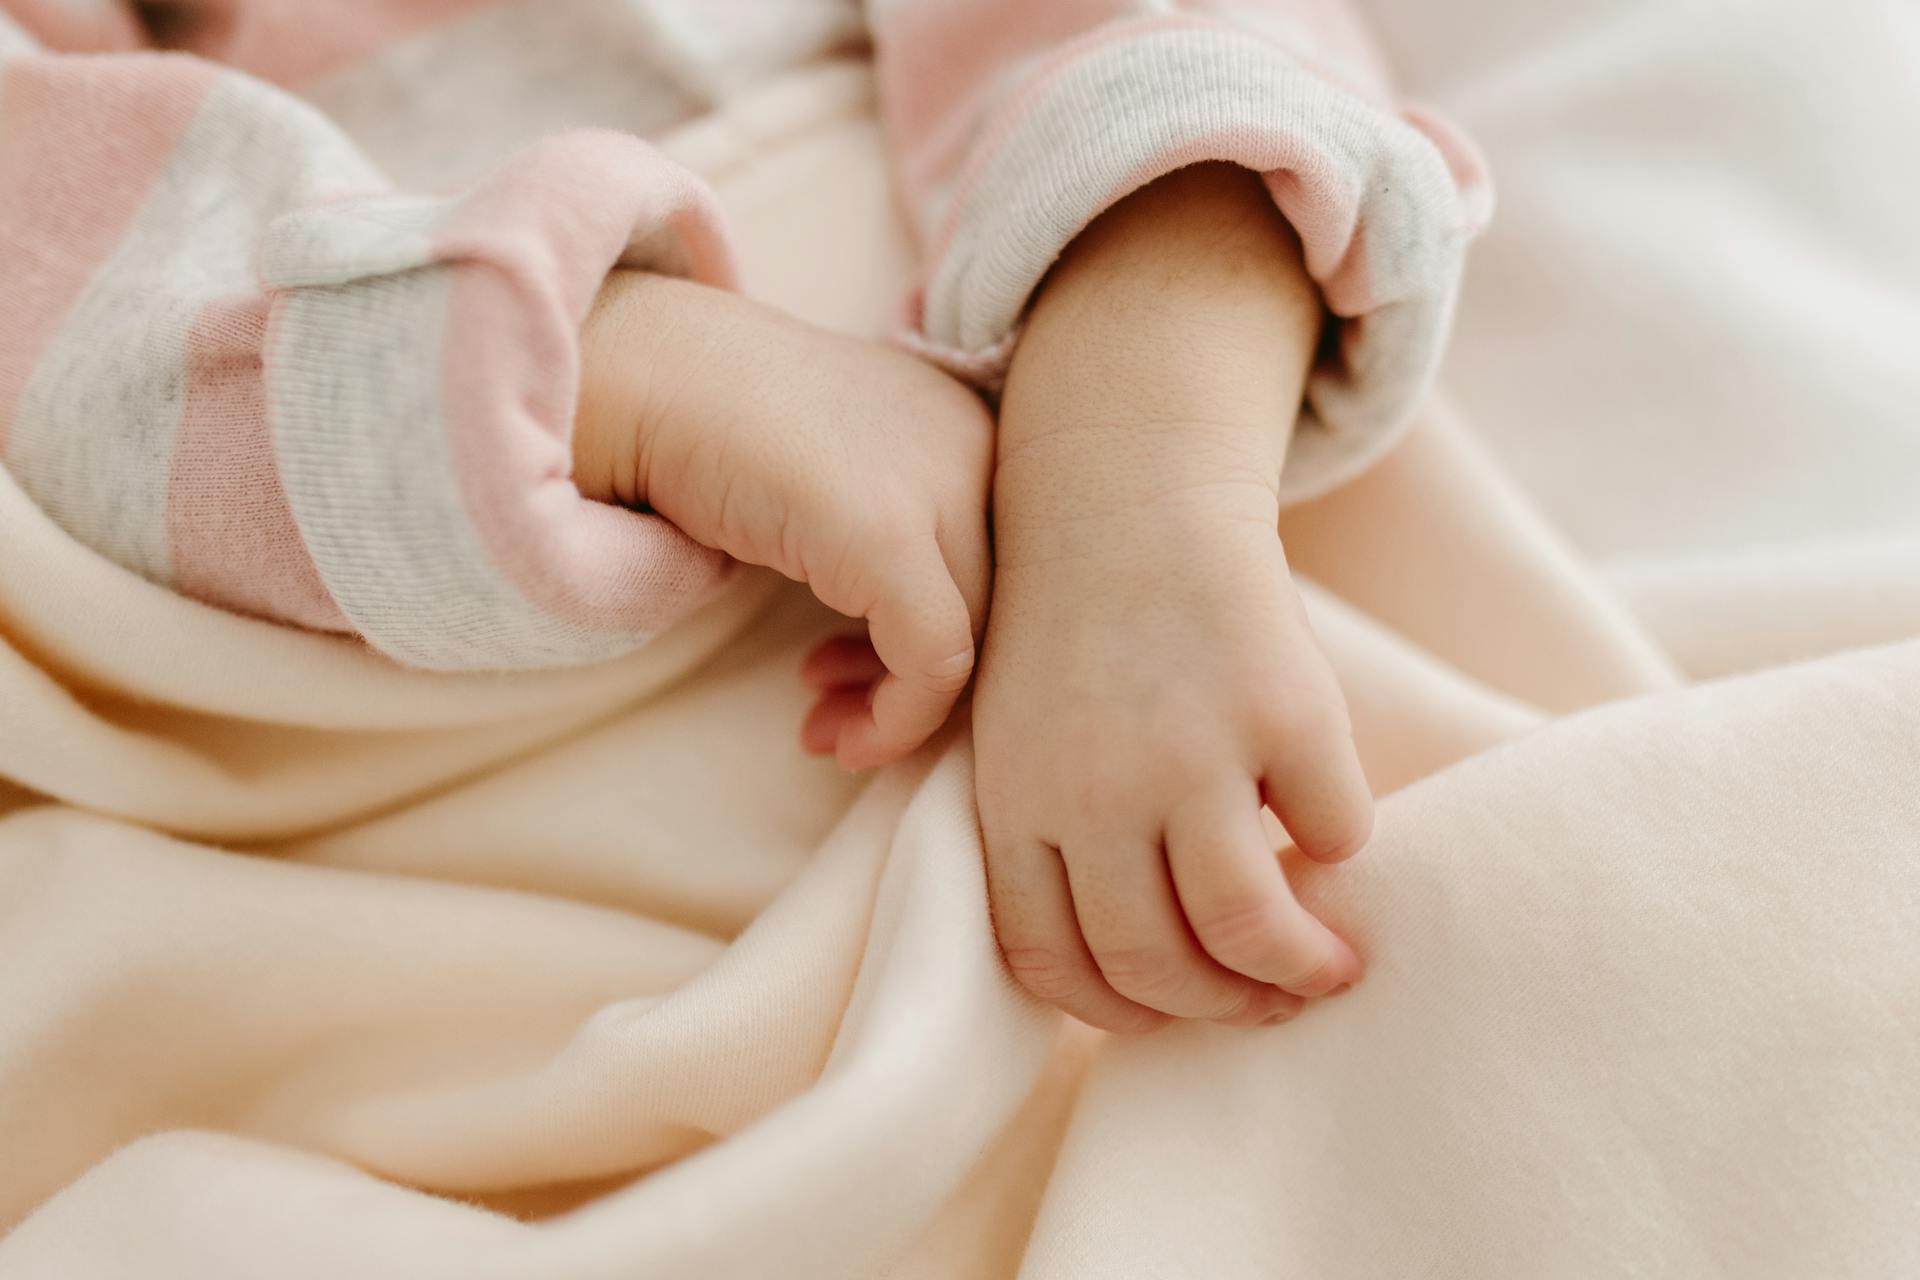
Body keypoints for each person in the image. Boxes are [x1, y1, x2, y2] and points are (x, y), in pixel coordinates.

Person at [0, 0, 1488, 1033]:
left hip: (1146, 520)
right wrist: (618, 373)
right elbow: (54, 290)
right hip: (463, 819)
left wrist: (1135, 498)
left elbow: (1210, 81)